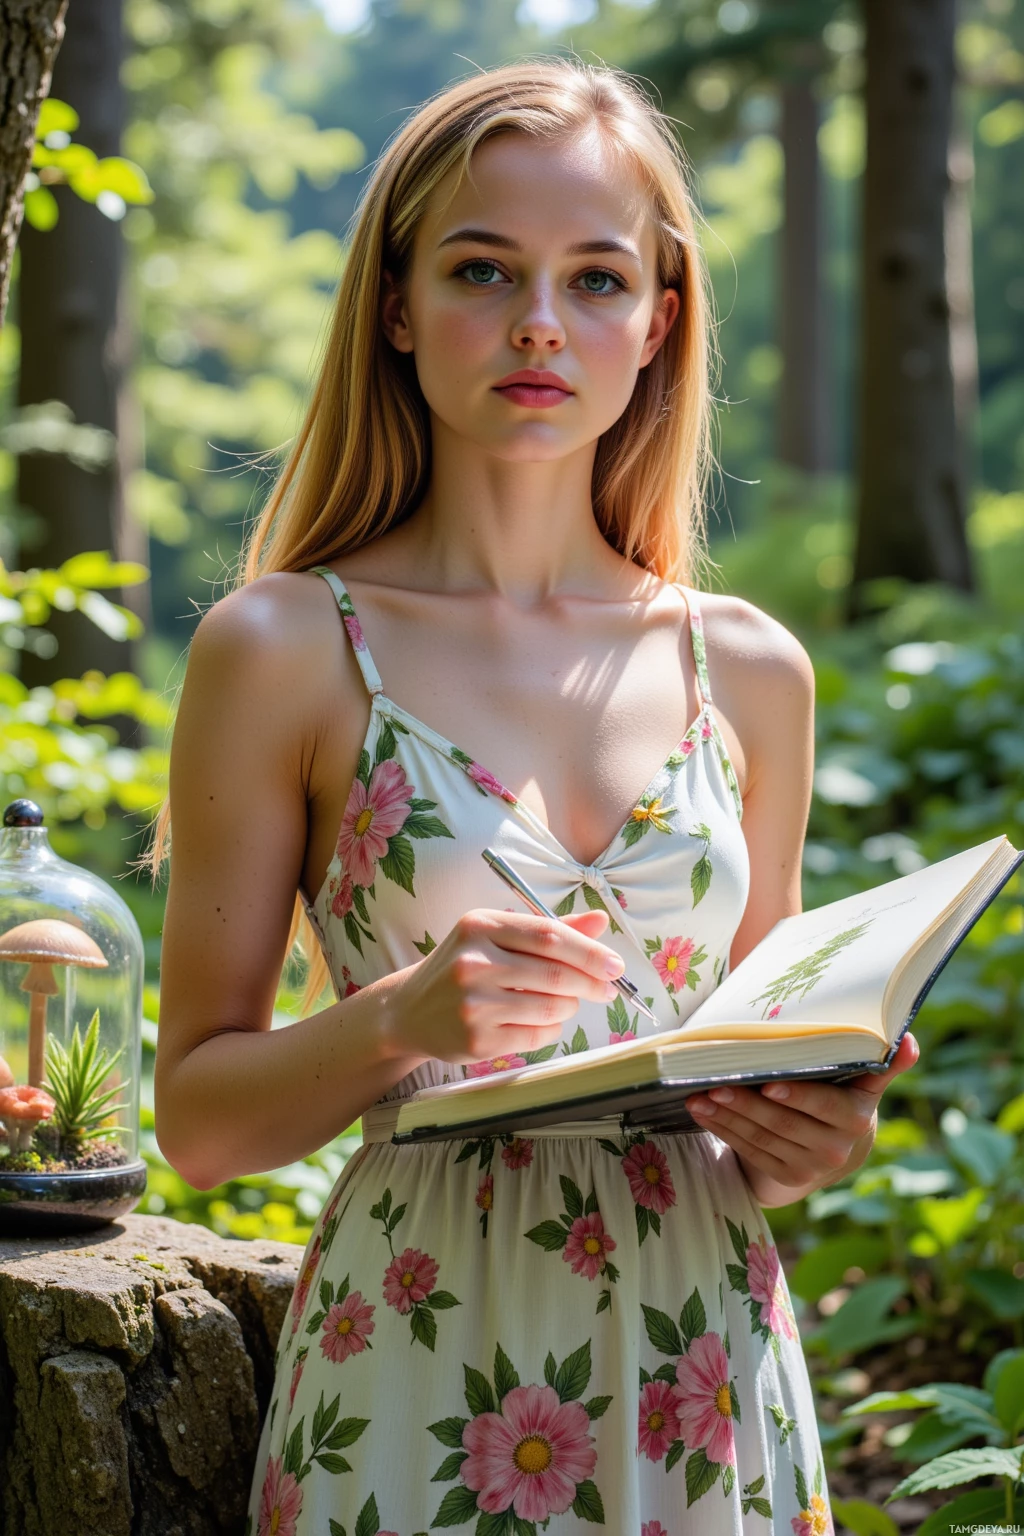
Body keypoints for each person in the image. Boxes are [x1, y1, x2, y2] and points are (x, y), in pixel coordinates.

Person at [150, 59, 917, 1533]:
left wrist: (824, 1141)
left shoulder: (749, 670)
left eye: (597, 278)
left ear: (659, 323)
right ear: (394, 304)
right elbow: (196, 1120)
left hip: (703, 1363)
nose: (539, 324)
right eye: (483, 269)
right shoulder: (285, 647)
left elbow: (776, 1065)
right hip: (414, 1355)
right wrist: (401, 1022)